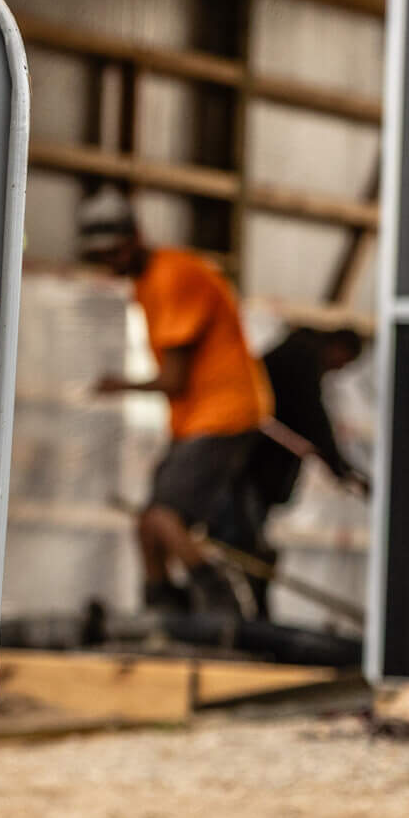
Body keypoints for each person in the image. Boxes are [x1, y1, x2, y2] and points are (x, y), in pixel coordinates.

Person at [76, 184, 272, 615]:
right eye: (101, 256)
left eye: (114, 252)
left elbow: (174, 379)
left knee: (165, 516)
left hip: (226, 414)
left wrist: (119, 386)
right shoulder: (147, 284)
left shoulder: (174, 276)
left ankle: (222, 603)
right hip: (197, 420)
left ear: (134, 238)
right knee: (148, 523)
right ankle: (162, 607)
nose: (110, 263)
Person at [241, 325, 367, 615]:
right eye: (343, 362)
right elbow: (313, 419)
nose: (338, 370)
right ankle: (251, 612)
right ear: (338, 347)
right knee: (246, 542)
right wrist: (339, 468)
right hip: (249, 467)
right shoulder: (302, 358)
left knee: (251, 538)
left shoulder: (296, 354)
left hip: (251, 467)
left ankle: (253, 610)